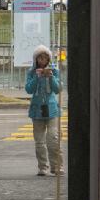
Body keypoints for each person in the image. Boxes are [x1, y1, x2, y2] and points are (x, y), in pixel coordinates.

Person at [26, 44, 63, 178]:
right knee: (39, 141)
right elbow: (28, 89)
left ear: (49, 59)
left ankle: (57, 166)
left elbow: (58, 89)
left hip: (52, 109)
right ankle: (43, 167)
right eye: (40, 58)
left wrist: (51, 76)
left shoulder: (54, 70)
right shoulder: (31, 72)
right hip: (37, 110)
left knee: (53, 138)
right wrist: (37, 76)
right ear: (36, 59)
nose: (42, 61)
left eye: (45, 58)